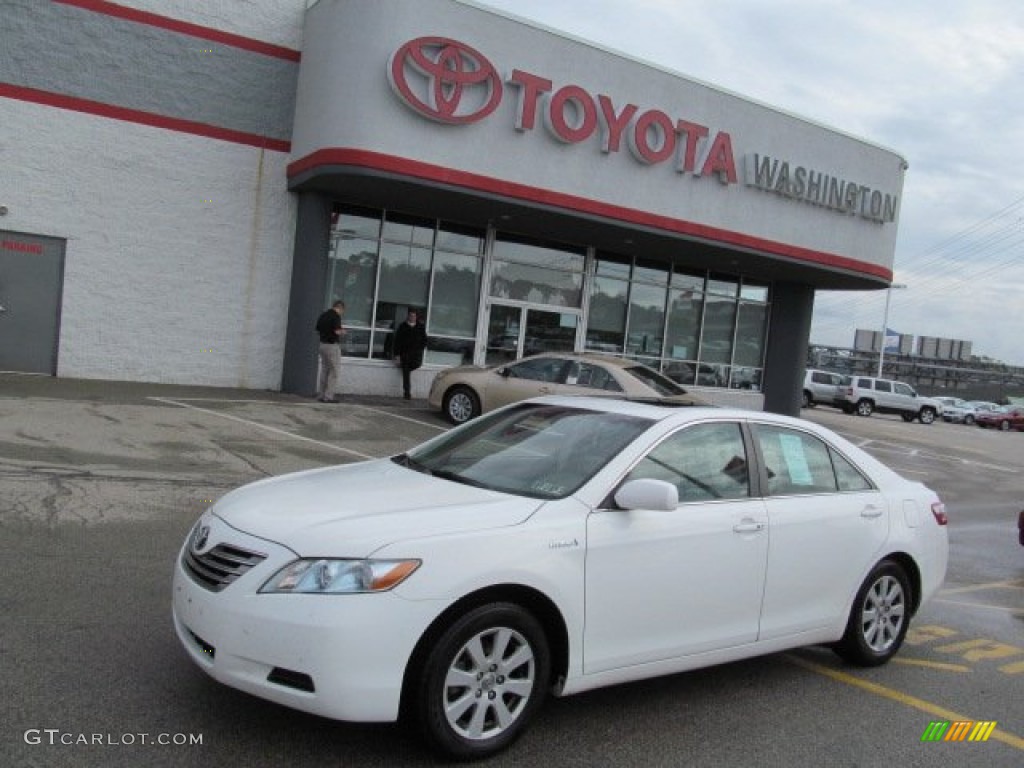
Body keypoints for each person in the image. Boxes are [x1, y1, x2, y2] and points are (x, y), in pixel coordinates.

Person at [392, 308, 428, 399]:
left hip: (416, 354)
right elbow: (397, 341)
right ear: (408, 316)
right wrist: (397, 355)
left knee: (415, 366)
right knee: (406, 373)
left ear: (416, 317)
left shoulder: (420, 326)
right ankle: (407, 393)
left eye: (414, 316)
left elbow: (425, 340)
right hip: (405, 354)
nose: (412, 317)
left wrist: (420, 348)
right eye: (410, 316)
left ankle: (406, 370)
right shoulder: (403, 326)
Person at [315, 300, 345, 403]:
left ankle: (321, 395)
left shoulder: (323, 315)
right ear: (340, 308)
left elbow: (317, 330)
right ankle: (328, 397)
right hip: (332, 346)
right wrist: (343, 331)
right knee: (334, 372)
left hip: (322, 345)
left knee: (325, 370)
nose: (341, 313)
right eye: (342, 311)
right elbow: (337, 331)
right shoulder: (336, 316)